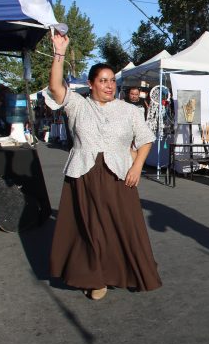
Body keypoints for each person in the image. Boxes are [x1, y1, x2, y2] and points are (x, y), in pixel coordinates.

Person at [44, 32, 161, 300]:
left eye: (112, 81)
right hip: (83, 175)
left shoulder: (129, 110)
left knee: (123, 227)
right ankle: (95, 279)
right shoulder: (76, 105)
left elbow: (145, 141)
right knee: (90, 229)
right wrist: (59, 52)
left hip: (119, 175)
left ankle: (128, 271)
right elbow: (55, 87)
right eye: (103, 80)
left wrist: (136, 168)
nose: (109, 85)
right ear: (91, 83)